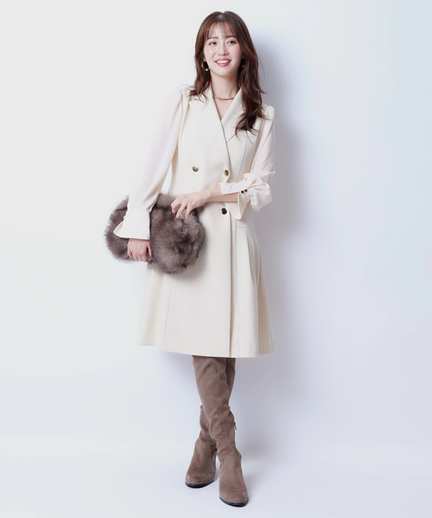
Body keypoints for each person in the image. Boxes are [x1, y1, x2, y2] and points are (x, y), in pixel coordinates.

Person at [113, 11, 276, 508]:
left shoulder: (262, 114)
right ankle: (230, 455)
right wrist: (137, 224)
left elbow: (260, 188)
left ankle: (205, 445)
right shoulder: (184, 102)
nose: (221, 50)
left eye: (230, 41)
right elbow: (153, 165)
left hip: (233, 241)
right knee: (206, 350)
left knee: (224, 352)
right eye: (211, 43)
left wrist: (209, 192)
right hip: (192, 243)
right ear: (202, 54)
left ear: (244, 50)